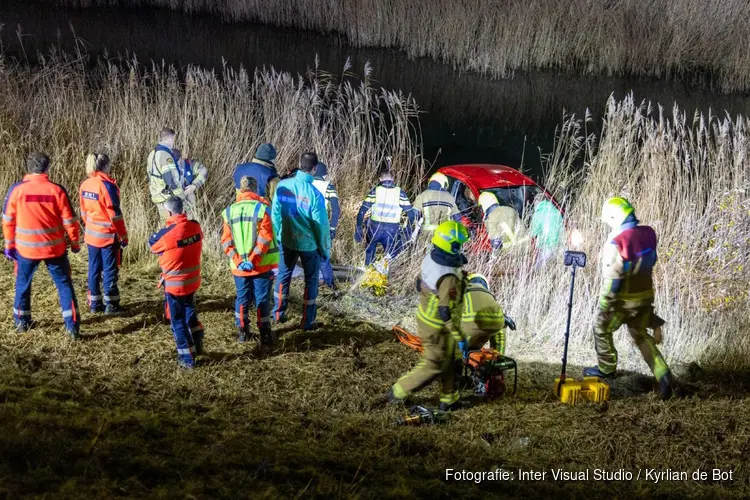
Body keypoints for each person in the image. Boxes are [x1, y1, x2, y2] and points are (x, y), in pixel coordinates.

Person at [582, 197, 674, 399]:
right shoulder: (648, 234)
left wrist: (605, 305)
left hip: (622, 301)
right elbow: (653, 260)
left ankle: (606, 369)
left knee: (600, 327)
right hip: (645, 297)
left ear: (614, 217)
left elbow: (612, 280)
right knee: (641, 336)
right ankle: (664, 376)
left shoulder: (617, 242)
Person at [388, 220, 470, 411]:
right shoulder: (448, 276)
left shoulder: (430, 259)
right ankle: (399, 391)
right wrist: (459, 337)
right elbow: (445, 311)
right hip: (438, 328)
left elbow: (419, 284)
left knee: (450, 360)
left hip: (427, 319)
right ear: (451, 245)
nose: (461, 248)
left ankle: (449, 399)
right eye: (459, 245)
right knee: (434, 365)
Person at [2, 152, 82, 338]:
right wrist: (75, 242)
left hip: (26, 249)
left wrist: (9, 245)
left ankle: (21, 323)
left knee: (23, 284)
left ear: (28, 167)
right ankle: (72, 327)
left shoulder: (16, 190)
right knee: (64, 285)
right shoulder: (57, 190)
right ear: (47, 168)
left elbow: (7, 220)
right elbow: (70, 220)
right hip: (54, 249)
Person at [272, 152, 331, 331]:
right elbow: (320, 226)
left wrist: (276, 239)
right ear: (314, 169)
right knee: (311, 280)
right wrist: (324, 250)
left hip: (286, 240)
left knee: (283, 275)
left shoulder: (282, 186)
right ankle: (307, 321)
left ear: (299, 164)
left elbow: (274, 216)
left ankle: (277, 314)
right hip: (308, 244)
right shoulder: (314, 194)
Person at [221, 176, 279, 345]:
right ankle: (265, 334)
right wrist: (253, 260)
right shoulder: (262, 209)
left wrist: (239, 260)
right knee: (262, 299)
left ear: (241, 189)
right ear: (255, 189)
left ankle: (242, 332)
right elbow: (265, 239)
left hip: (238, 267)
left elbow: (226, 241)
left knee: (242, 297)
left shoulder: (229, 211)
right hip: (261, 265)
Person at [149, 197, 205, 369]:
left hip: (174, 284)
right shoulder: (195, 226)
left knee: (177, 321)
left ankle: (186, 358)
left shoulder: (168, 234)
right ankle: (197, 345)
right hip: (192, 280)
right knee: (189, 311)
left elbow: (152, 245)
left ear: (169, 212)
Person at [79, 153, 129, 314]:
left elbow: (83, 211)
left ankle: (94, 304)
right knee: (109, 269)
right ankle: (112, 304)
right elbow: (115, 214)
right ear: (106, 166)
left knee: (93, 268)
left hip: (91, 234)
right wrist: (123, 235)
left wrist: (90, 226)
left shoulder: (85, 184)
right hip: (107, 235)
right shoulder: (107, 186)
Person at [355, 162, 416, 266]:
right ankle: (384, 276)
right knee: (389, 256)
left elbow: (362, 211)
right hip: (392, 230)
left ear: (380, 179)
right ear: (393, 179)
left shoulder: (375, 191)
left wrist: (359, 228)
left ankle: (366, 274)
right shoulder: (400, 192)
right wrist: (408, 230)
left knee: (369, 253)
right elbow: (411, 214)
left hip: (374, 228)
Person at [460, 273, 514, 355]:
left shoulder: (461, 290)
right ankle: (498, 359)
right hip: (495, 325)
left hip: (469, 328)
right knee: (499, 327)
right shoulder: (488, 295)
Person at [312, 161, 340, 289]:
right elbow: (336, 209)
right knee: (324, 257)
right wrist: (332, 228)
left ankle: (312, 284)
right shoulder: (327, 186)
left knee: (309, 257)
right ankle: (329, 284)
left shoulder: (306, 184)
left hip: (305, 225)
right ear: (324, 174)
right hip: (322, 226)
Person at [147, 127, 185, 221]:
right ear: (169, 139)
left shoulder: (152, 154)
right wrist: (181, 195)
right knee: (173, 224)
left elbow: (149, 175)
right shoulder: (164, 155)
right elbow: (169, 180)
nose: (173, 142)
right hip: (168, 197)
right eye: (173, 139)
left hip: (158, 194)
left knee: (165, 223)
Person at [173, 149, 208, 217]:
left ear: (180, 158)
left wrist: (194, 185)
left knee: (190, 221)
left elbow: (204, 171)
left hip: (188, 198)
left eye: (177, 161)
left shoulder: (189, 165)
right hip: (173, 201)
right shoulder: (165, 167)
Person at [529, 198, 564, 266]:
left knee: (538, 269)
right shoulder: (557, 211)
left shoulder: (538, 214)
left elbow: (533, 235)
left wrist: (534, 252)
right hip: (559, 246)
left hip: (545, 247)